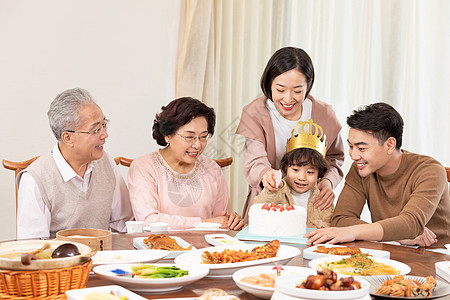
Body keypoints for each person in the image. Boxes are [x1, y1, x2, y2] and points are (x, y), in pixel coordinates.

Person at [305, 102, 450, 248]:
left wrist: (401, 230)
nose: (354, 155)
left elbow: (411, 223)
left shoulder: (430, 170)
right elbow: (341, 219)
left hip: (436, 256)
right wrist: (399, 235)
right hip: (390, 249)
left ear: (389, 145)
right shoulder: (361, 169)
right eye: (351, 146)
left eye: (361, 148)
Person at [236, 46, 345, 221]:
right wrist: (267, 175)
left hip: (311, 206)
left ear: (308, 86)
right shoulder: (255, 113)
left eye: (297, 91)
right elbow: (254, 160)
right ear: (269, 83)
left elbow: (335, 158)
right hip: (270, 202)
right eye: (280, 90)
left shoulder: (324, 114)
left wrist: (327, 182)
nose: (288, 99)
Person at [17, 88, 133, 239]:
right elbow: (33, 246)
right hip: (59, 261)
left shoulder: (106, 163)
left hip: (104, 258)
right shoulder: (35, 179)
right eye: (96, 129)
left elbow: (123, 225)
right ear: (68, 138)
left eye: (104, 125)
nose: (105, 134)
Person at [128, 97, 245, 231]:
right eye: (189, 137)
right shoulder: (144, 167)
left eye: (203, 137)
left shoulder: (212, 169)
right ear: (167, 135)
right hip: (158, 248)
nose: (197, 145)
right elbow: (148, 220)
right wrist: (204, 223)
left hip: (204, 249)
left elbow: (220, 222)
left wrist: (231, 221)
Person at [254, 119, 334, 228]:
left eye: (310, 172)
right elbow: (260, 207)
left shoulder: (321, 197)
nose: (301, 177)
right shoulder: (280, 189)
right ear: (286, 167)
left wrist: (314, 227)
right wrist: (272, 190)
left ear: (319, 173)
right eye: (295, 170)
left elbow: (330, 223)